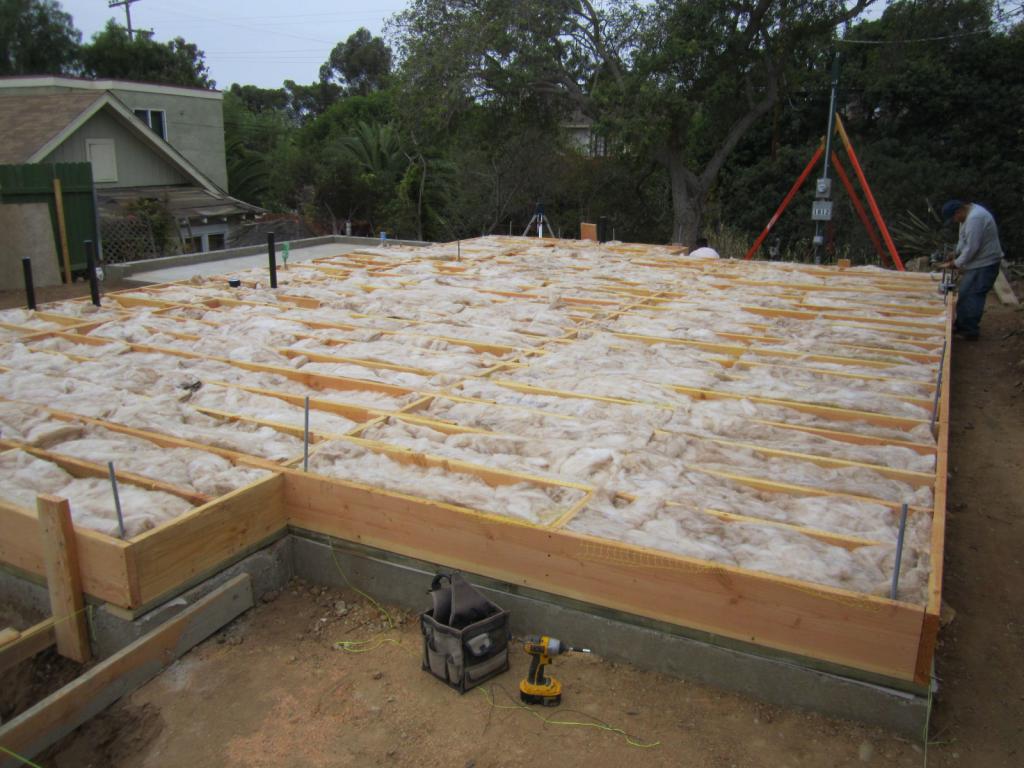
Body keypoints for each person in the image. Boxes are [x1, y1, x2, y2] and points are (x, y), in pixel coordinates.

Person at [939, 199, 1004, 340]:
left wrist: (956, 263)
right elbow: (963, 239)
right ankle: (962, 326)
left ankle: (970, 331)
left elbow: (972, 247)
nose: (955, 221)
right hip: (978, 263)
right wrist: (956, 252)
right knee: (965, 293)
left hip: (985, 264)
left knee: (972, 296)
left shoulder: (975, 218)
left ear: (958, 212)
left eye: (954, 218)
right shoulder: (967, 216)